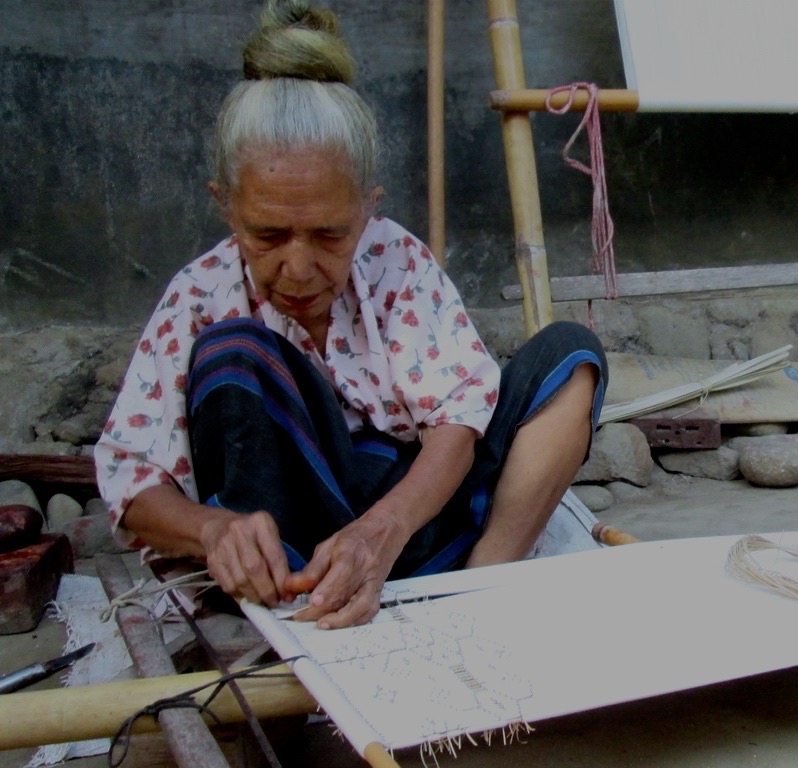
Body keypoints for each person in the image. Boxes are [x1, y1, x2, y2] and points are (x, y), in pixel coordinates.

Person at [94, 0, 607, 630]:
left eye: (331, 234)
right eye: (269, 234)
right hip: (293, 550)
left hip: (410, 527)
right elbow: (131, 477)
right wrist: (215, 529)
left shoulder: (396, 262)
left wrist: (381, 529)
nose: (300, 267)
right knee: (233, 353)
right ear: (226, 206)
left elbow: (456, 421)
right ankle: (300, 603)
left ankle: (479, 590)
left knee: (568, 356)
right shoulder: (200, 292)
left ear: (368, 206)